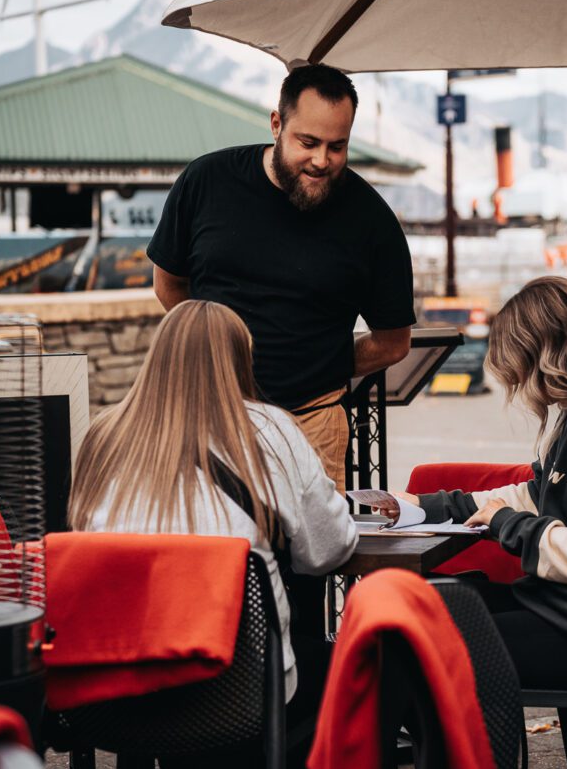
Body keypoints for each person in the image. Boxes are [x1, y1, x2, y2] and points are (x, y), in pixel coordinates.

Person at [68, 300, 404, 769]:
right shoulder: (272, 430)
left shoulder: (104, 436)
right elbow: (327, 549)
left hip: (118, 691)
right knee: (356, 658)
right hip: (240, 689)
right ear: (242, 361)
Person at [389, 277, 567, 690]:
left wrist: (508, 524)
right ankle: (450, 750)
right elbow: (535, 496)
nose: (521, 382)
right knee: (419, 611)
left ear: (546, 355)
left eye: (521, 365)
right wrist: (423, 506)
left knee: (418, 640)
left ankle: (462, 753)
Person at [147, 64, 415, 495]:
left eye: (337, 146)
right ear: (277, 124)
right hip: (211, 413)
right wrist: (213, 353)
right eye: (307, 142)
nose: (321, 160)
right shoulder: (205, 181)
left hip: (314, 422)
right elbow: (168, 284)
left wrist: (317, 364)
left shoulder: (373, 220)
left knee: (311, 561)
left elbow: (393, 342)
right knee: (212, 552)